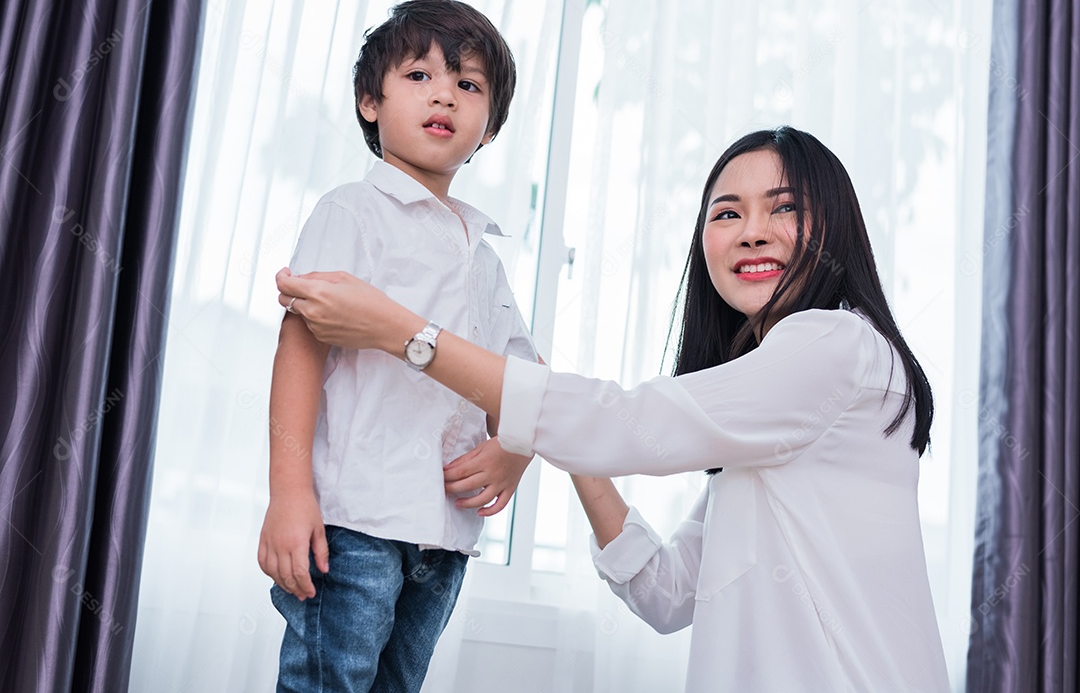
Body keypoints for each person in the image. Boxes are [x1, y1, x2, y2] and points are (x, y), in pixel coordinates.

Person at [275, 126, 952, 692]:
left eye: (784, 207)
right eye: (726, 212)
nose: (752, 231)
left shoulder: (833, 344)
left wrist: (402, 332)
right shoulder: (769, 424)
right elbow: (666, 590)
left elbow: (630, 424)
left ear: (837, 225)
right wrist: (556, 434)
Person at [257, 0, 537, 693]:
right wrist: (290, 492)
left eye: (469, 85)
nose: (444, 93)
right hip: (353, 520)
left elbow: (524, 374)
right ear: (369, 100)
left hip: (444, 535)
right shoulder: (351, 211)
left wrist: (515, 449)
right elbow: (299, 351)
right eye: (419, 75)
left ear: (489, 129)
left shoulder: (484, 254)